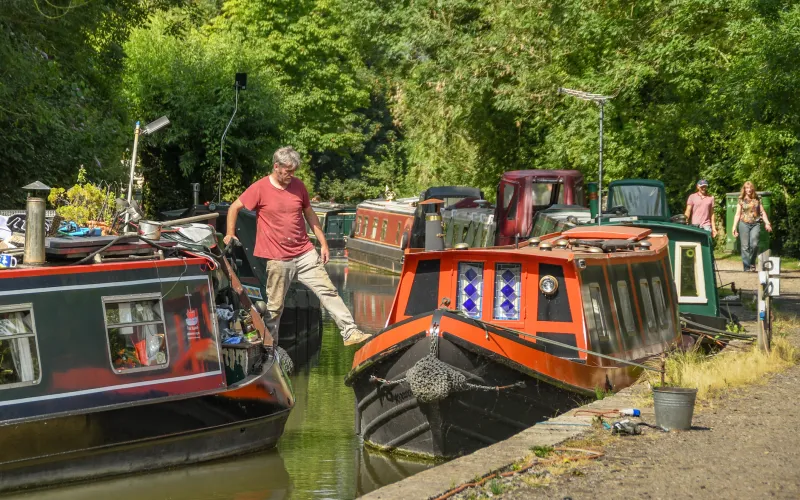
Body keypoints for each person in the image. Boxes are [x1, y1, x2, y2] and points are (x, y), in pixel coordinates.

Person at [223, 146, 371, 346]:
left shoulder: (298, 186)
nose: (291, 175)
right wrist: (230, 233)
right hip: (277, 257)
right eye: (288, 171)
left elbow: (310, 215)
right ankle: (269, 346)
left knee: (328, 291)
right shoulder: (260, 188)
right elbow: (234, 207)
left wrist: (324, 244)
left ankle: (349, 331)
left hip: (304, 252)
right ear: (277, 167)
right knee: (275, 307)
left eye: (294, 171)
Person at [732, 181, 772, 272]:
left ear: (752, 189)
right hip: (744, 224)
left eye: (750, 188)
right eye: (746, 188)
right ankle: (746, 266)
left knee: (754, 244)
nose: (748, 190)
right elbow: (737, 214)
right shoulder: (741, 199)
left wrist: (767, 223)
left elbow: (762, 212)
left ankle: (752, 262)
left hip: (755, 224)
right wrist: (734, 227)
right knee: (745, 246)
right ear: (744, 189)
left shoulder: (757, 199)